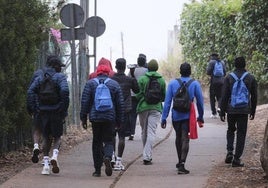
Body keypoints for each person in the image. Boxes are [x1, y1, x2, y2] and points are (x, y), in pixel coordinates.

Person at [80, 61, 125, 177]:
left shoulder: (90, 84)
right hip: (110, 117)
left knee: (97, 142)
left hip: (95, 118)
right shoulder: (114, 84)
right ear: (108, 73)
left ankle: (97, 170)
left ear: (97, 72)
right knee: (109, 140)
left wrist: (83, 117)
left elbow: (85, 101)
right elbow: (120, 104)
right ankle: (108, 157)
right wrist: (119, 120)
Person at [27, 55, 69, 175]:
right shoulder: (60, 77)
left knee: (45, 136)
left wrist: (34, 108)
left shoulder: (40, 77)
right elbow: (65, 91)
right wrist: (63, 108)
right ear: (56, 66)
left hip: (42, 112)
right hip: (56, 112)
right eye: (59, 66)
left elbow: (30, 91)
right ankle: (54, 156)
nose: (60, 69)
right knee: (57, 137)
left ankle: (45, 165)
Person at [161, 62, 204, 174]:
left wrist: (164, 117)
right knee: (185, 138)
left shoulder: (172, 83)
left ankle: (180, 161)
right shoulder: (194, 84)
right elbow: (200, 102)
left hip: (176, 115)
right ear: (190, 72)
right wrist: (201, 116)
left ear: (180, 71)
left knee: (178, 137)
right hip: (188, 116)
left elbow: (167, 102)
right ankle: (182, 163)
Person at [219, 56, 257, 167]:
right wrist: (252, 110)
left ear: (234, 65)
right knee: (241, 133)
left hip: (231, 110)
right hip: (244, 110)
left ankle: (230, 151)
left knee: (231, 130)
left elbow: (224, 95)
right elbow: (254, 96)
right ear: (245, 65)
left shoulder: (229, 77)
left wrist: (222, 111)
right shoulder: (250, 78)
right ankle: (236, 159)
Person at [111, 58, 139, 171]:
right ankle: (118, 161)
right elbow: (137, 90)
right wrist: (133, 75)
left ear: (116, 66)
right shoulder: (129, 80)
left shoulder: (111, 79)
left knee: (112, 135)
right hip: (125, 110)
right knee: (122, 137)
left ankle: (112, 156)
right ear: (125, 66)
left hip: (112, 111)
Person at [136, 59, 166, 165]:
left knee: (144, 131)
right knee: (151, 132)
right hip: (156, 108)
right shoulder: (161, 80)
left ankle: (146, 154)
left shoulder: (142, 79)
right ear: (157, 68)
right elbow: (163, 96)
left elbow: (138, 93)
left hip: (143, 107)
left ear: (148, 67)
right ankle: (147, 156)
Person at [127, 53, 148, 140]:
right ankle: (144, 131)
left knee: (132, 115)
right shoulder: (147, 71)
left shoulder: (132, 71)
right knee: (144, 114)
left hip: (133, 95)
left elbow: (128, 80)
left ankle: (131, 133)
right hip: (143, 96)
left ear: (137, 62)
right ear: (145, 62)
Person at [206, 53, 226, 118]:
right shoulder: (222, 62)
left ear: (212, 56)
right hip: (221, 82)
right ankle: (219, 107)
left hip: (213, 82)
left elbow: (208, 72)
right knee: (220, 96)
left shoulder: (211, 62)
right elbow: (224, 73)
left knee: (212, 97)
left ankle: (214, 113)